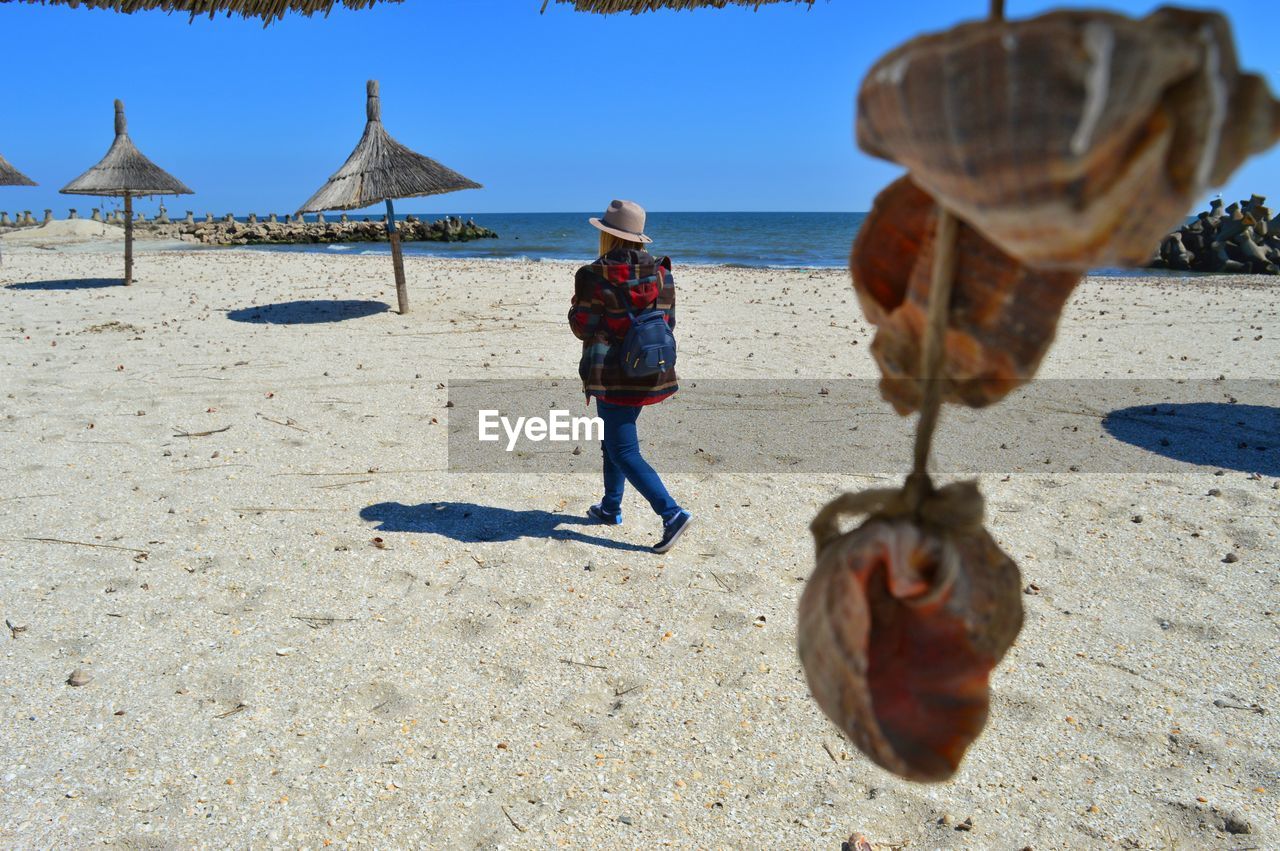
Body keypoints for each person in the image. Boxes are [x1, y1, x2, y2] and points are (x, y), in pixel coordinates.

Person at [569, 199, 692, 553]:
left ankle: (672, 514)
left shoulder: (594, 275)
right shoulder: (662, 273)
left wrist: (574, 307)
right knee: (614, 442)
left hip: (611, 374)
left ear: (607, 236)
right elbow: (668, 322)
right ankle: (610, 507)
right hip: (649, 367)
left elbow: (583, 326)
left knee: (623, 450)